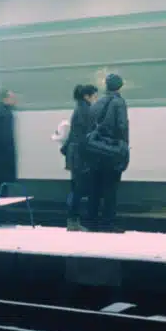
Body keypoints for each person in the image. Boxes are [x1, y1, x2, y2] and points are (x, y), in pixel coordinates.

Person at [85, 74, 130, 233]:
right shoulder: (119, 102)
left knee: (95, 188)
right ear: (120, 86)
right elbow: (122, 127)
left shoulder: (97, 103)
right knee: (110, 188)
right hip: (111, 150)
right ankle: (107, 223)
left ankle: (91, 222)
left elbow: (90, 125)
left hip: (96, 150)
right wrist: (124, 148)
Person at [64, 84, 98, 231]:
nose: (96, 99)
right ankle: (73, 221)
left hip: (75, 153)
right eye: (94, 96)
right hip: (80, 155)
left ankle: (73, 220)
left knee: (76, 187)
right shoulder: (85, 110)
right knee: (78, 189)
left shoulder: (79, 108)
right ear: (86, 96)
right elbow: (87, 135)